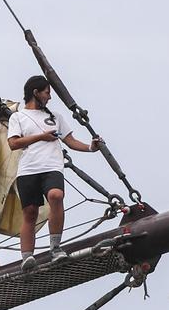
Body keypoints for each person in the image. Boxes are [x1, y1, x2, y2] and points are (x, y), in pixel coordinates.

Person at [7, 74, 100, 259]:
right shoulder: (18, 117)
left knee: (56, 195)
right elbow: (13, 143)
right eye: (47, 93)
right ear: (36, 93)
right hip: (28, 169)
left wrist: (91, 147)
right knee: (30, 212)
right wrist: (41, 137)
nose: (50, 97)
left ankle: (55, 247)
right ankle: (27, 258)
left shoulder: (55, 117)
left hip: (52, 166)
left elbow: (70, 141)